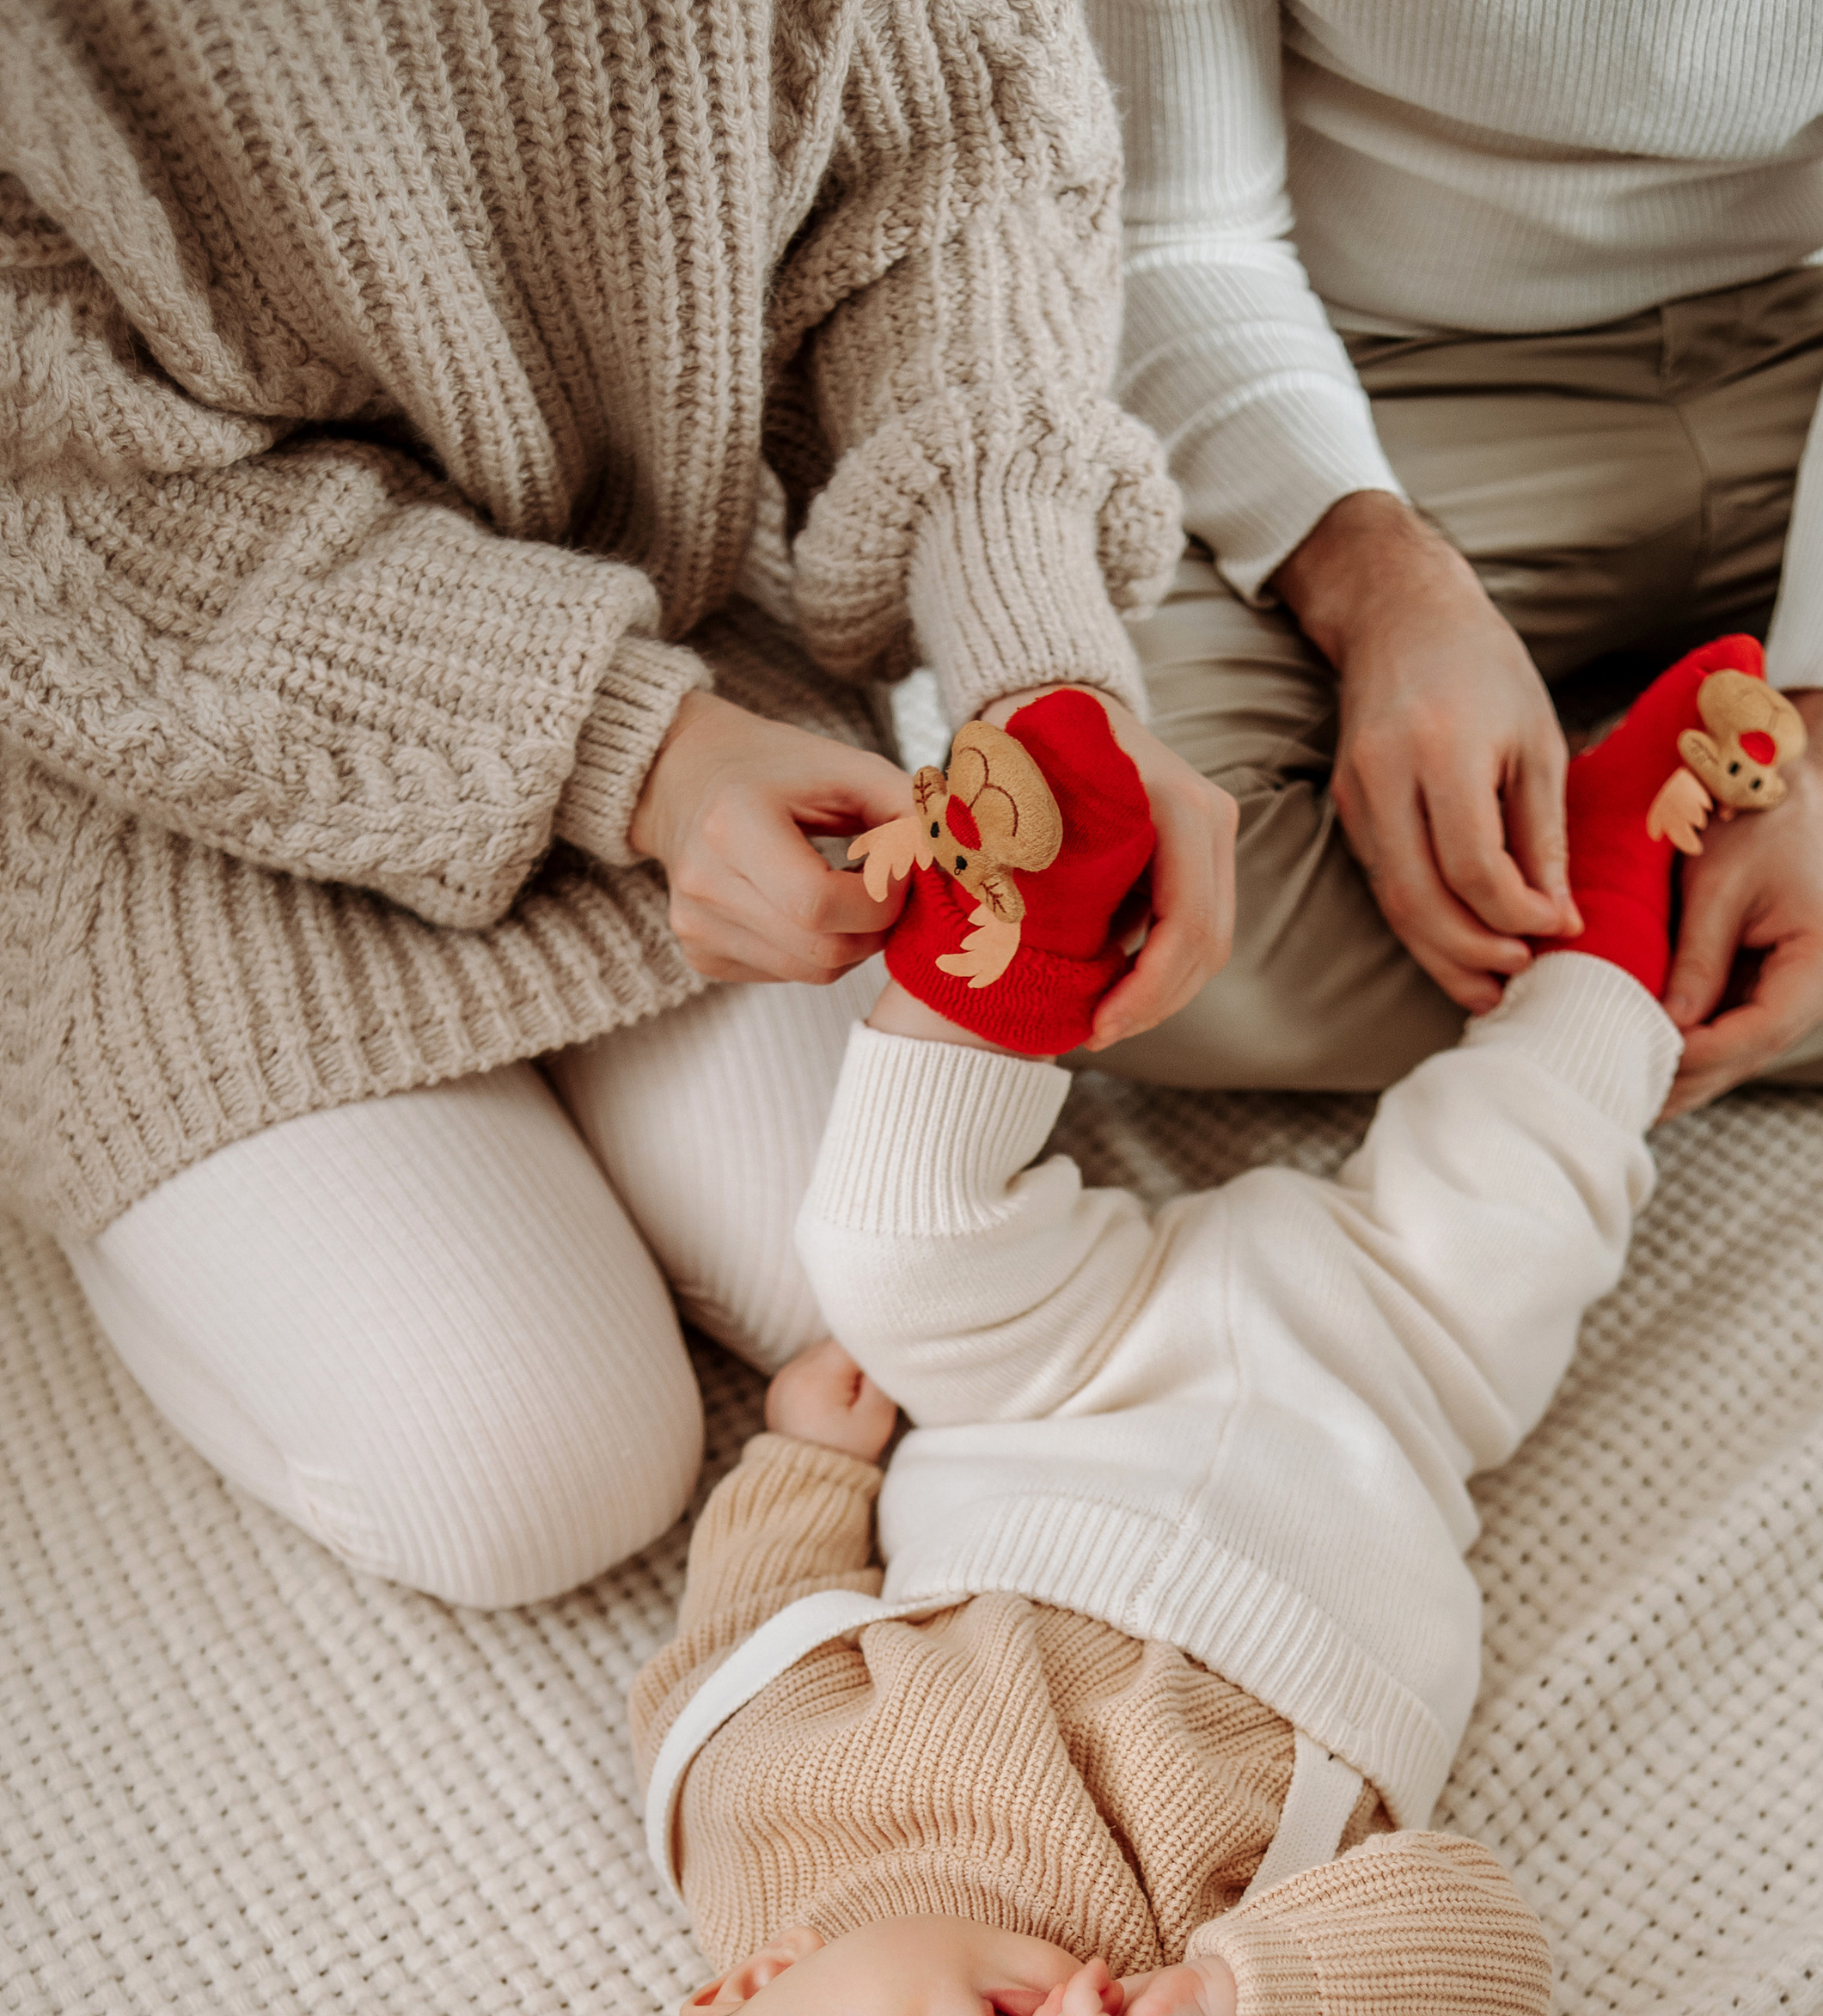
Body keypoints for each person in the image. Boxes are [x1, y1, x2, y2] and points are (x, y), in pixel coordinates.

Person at [542, 645, 1768, 2016]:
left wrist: (805, 1458)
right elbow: (1478, 1972)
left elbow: (739, 1634)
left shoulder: (754, 1822)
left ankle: (1016, 941)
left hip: (1058, 1383)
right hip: (1381, 1407)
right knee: (1527, 1187)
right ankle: (1618, 887)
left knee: (883, 1253)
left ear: (745, 1986)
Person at [0, 0, 1234, 1609]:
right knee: (529, 1474)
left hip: (667, 600)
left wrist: (1037, 665)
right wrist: (634, 757)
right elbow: (52, 504)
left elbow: (950, 163)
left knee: (919, 1296)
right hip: (143, 734)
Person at [1085, 0, 1823, 1115]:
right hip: (1355, 389)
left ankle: (1620, 779)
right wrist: (1386, 597)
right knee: (1100, 889)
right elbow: (1171, 233)